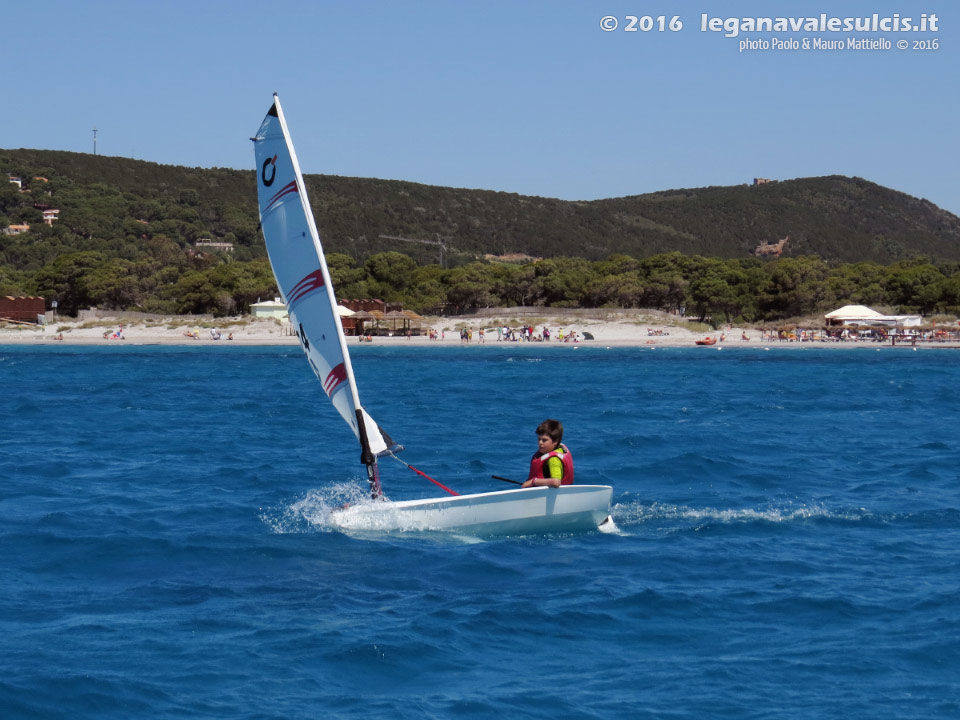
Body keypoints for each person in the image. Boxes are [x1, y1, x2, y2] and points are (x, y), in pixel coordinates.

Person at [522, 419, 574, 489]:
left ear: (555, 441)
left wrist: (533, 481)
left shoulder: (553, 460)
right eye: (539, 439)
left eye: (544, 440)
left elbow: (556, 482)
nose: (540, 442)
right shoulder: (560, 448)